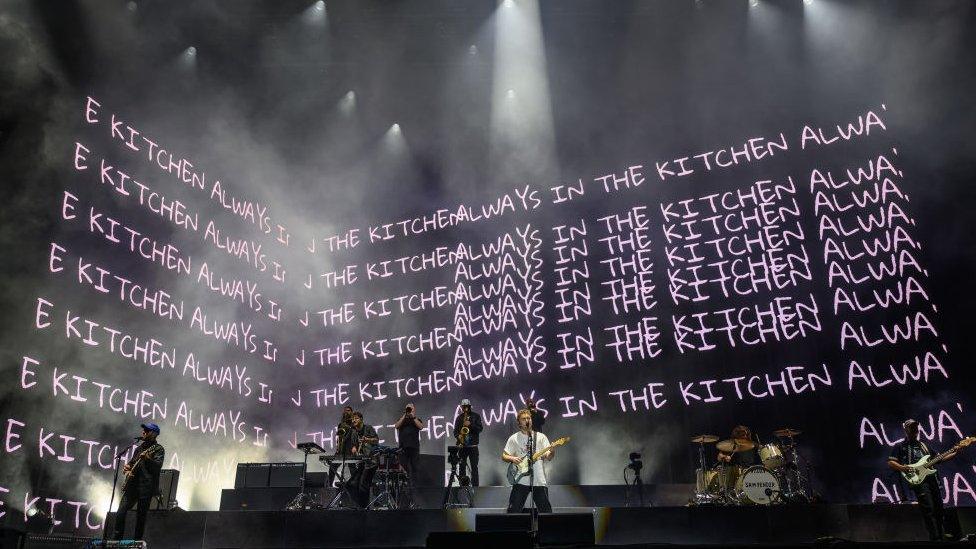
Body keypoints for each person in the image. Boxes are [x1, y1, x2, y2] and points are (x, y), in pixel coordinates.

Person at [888, 419, 958, 541]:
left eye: (916, 427)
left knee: (939, 508)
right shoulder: (900, 446)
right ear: (906, 430)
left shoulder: (924, 445)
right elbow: (891, 462)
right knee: (928, 508)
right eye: (912, 427)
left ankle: (941, 536)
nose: (915, 429)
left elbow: (940, 459)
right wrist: (903, 468)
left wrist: (956, 451)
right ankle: (935, 538)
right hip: (919, 481)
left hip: (932, 479)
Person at [112, 423, 164, 540]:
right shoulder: (139, 448)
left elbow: (157, 467)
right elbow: (132, 463)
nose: (143, 432)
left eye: (147, 430)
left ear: (154, 434)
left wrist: (148, 459)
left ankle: (137, 542)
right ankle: (116, 539)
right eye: (144, 430)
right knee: (121, 511)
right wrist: (127, 468)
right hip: (132, 486)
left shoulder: (158, 449)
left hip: (146, 487)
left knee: (141, 516)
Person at [502, 408, 554, 513]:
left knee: (546, 512)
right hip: (520, 480)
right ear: (519, 422)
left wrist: (552, 451)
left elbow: (549, 457)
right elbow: (504, 456)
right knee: (514, 511)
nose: (527, 420)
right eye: (524, 419)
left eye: (529, 418)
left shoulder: (541, 437)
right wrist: (513, 458)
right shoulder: (514, 438)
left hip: (538, 480)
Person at [349, 411, 379, 507]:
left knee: (363, 484)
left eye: (356, 418)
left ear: (361, 419)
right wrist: (353, 448)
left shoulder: (368, 428)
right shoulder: (353, 432)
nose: (354, 420)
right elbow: (354, 445)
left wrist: (367, 440)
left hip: (371, 461)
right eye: (353, 419)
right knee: (352, 484)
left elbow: (376, 440)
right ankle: (359, 505)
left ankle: (364, 508)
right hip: (361, 462)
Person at [452, 398, 484, 486]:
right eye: (464, 406)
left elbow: (480, 429)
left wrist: (470, 424)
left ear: (470, 406)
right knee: (462, 467)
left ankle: (475, 487)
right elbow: (455, 431)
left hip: (473, 446)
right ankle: (463, 486)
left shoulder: (476, 416)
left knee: (474, 467)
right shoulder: (459, 418)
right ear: (461, 407)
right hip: (462, 446)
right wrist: (458, 436)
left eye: (467, 406)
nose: (465, 408)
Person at [395, 403, 423, 485]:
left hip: (414, 447)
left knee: (415, 467)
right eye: (408, 408)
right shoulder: (402, 419)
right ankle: (404, 485)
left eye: (411, 408)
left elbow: (421, 427)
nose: (409, 410)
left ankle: (415, 487)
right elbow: (396, 426)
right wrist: (404, 415)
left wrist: (413, 416)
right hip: (403, 448)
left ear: (414, 409)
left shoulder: (417, 419)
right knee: (403, 467)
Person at [328, 406, 356, 487]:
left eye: (348, 410)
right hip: (341, 449)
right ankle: (329, 486)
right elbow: (339, 437)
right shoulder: (341, 424)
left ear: (351, 412)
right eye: (345, 411)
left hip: (350, 447)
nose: (346, 412)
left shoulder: (354, 422)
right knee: (332, 466)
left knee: (352, 468)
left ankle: (355, 486)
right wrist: (337, 448)